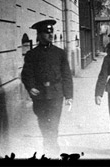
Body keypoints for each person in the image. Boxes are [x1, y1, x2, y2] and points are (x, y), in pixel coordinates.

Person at [21, 19, 73, 157]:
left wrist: (69, 95)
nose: (50, 35)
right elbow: (26, 74)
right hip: (40, 95)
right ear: (39, 35)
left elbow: (66, 74)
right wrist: (30, 87)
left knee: (54, 123)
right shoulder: (32, 54)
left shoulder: (60, 53)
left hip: (56, 94)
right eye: (46, 32)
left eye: (51, 32)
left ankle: (52, 150)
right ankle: (49, 145)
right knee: (43, 123)